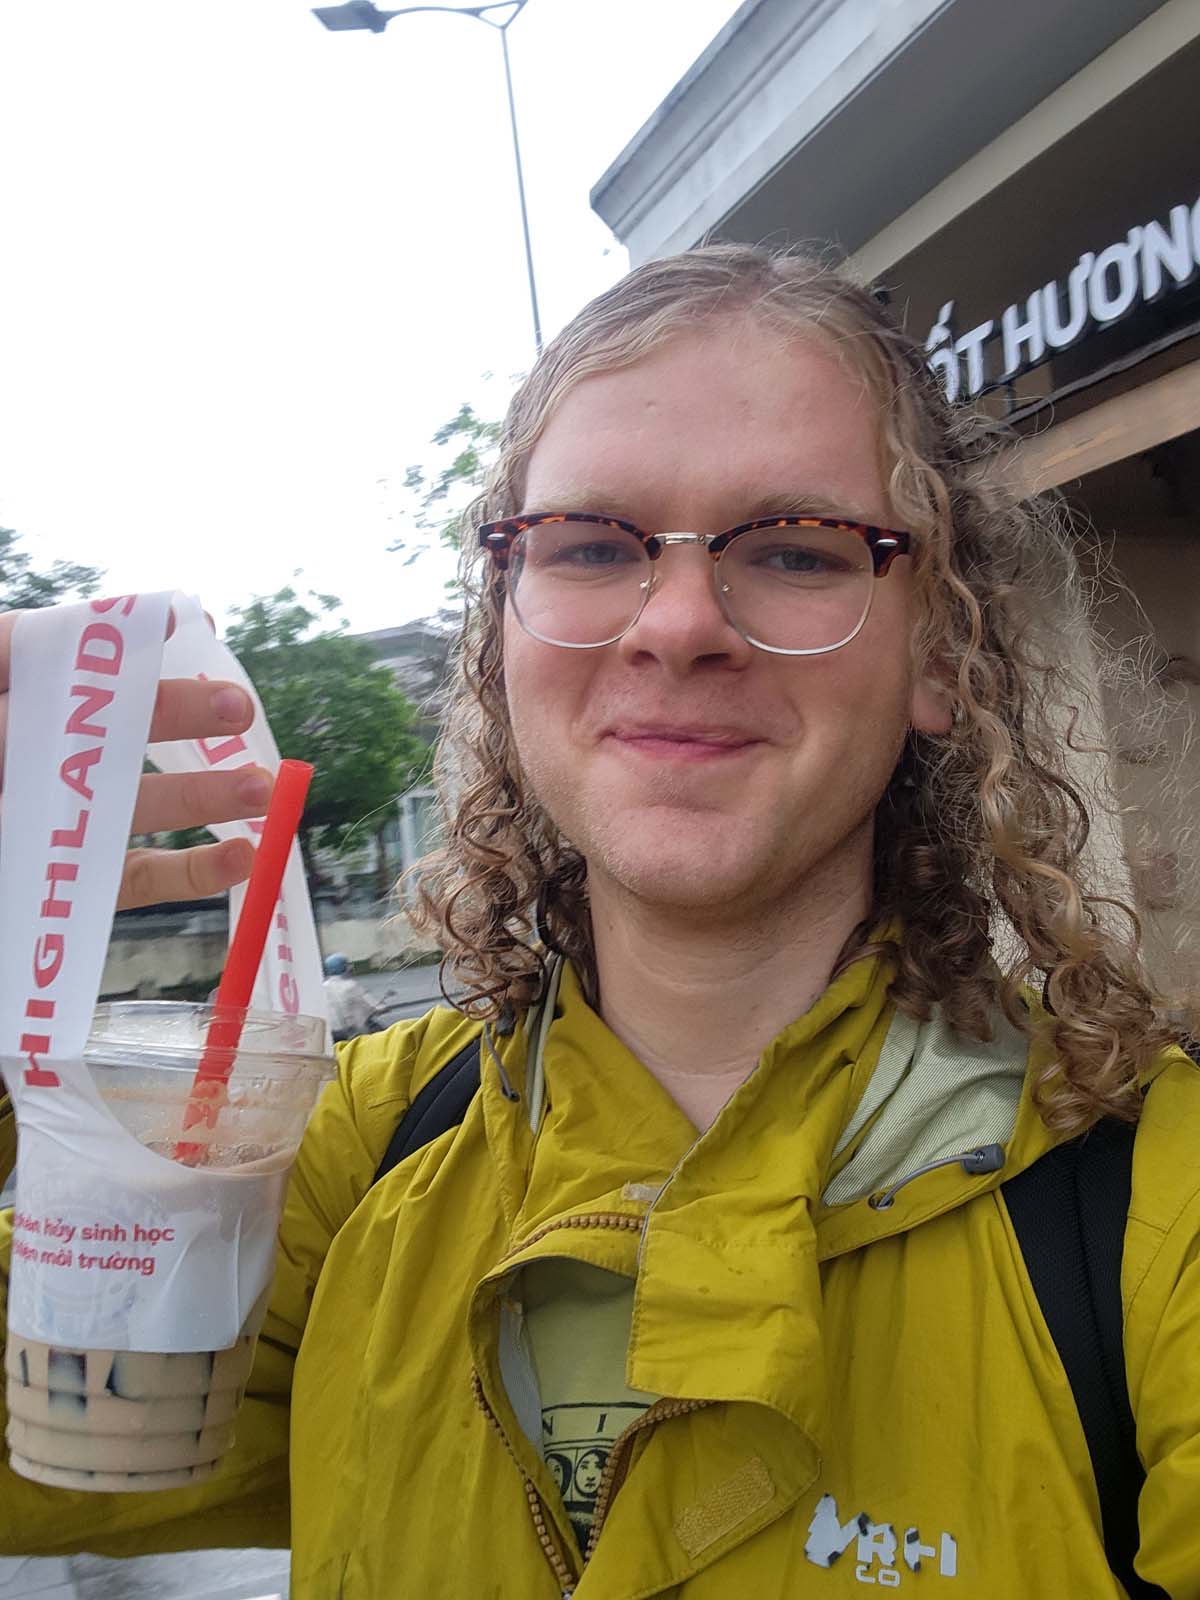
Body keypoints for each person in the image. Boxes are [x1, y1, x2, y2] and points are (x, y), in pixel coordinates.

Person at [1, 244, 1198, 1598]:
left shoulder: (1156, 1202)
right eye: (590, 544)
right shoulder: (341, 1163)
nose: (678, 623)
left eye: (794, 548)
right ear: (505, 639)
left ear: (939, 652)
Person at [322, 952, 379, 1043]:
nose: (350, 967)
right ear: (343, 967)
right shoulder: (351, 985)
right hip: (351, 1031)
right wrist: (380, 1007)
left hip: (331, 1032)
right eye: (347, 964)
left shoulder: (323, 987)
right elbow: (373, 1004)